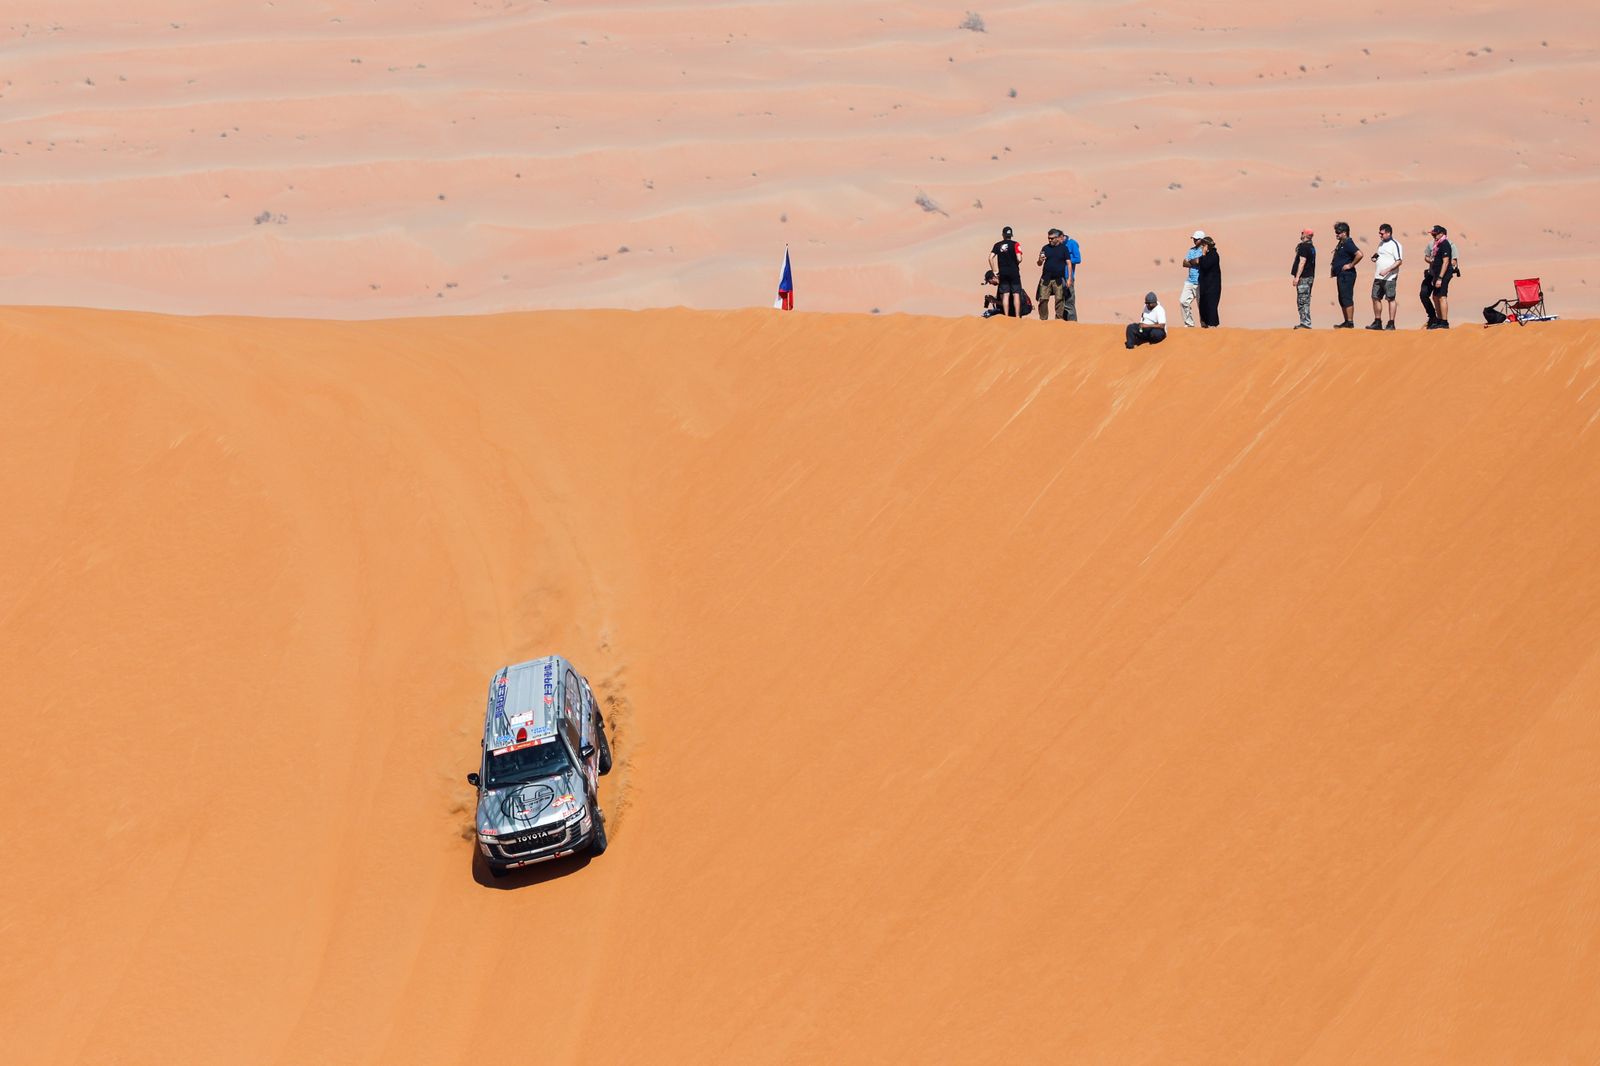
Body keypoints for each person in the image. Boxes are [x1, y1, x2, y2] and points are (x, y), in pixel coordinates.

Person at [1367, 223, 1403, 330]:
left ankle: (1391, 323)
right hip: (1378, 276)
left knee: (1390, 298)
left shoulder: (1395, 244)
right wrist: (1375, 257)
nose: (1380, 235)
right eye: (1379, 233)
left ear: (1388, 233)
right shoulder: (1381, 243)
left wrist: (1387, 270)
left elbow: (1399, 261)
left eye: (1382, 233)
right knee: (1375, 297)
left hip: (1390, 277)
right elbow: (1379, 254)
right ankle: (1377, 321)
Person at [1329, 221, 1362, 328]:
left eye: (1338, 232)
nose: (1336, 234)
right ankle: (1346, 321)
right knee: (1342, 297)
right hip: (1341, 275)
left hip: (1347, 275)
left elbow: (1359, 254)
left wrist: (1350, 265)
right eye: (1336, 232)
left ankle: (1350, 322)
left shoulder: (1348, 243)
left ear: (1344, 233)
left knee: (1347, 297)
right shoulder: (1342, 243)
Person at [988, 225, 1024, 317]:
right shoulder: (1016, 244)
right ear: (1011, 235)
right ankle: (1017, 316)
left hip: (1003, 273)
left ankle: (1006, 316)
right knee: (1016, 294)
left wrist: (994, 270)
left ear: (1003, 235)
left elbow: (990, 258)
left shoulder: (997, 245)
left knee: (1005, 295)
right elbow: (1019, 259)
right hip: (1014, 272)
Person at [1035, 229, 1070, 320]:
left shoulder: (1064, 248)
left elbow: (1068, 263)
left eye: (1052, 238)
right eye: (1048, 238)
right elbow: (1039, 263)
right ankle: (1043, 319)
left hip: (1058, 279)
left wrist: (1069, 278)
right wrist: (1040, 260)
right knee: (1043, 299)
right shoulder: (1045, 248)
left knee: (1059, 300)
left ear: (1058, 238)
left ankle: (1058, 320)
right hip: (1046, 278)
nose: (1049, 240)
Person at [1425, 224, 1454, 329]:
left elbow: (1446, 262)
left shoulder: (1445, 244)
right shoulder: (1437, 244)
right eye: (1433, 234)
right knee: (1435, 296)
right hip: (1437, 274)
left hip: (1444, 274)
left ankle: (1444, 322)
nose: (1433, 236)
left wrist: (1440, 278)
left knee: (1442, 296)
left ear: (1442, 234)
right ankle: (1439, 319)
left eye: (1435, 234)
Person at [1290, 228, 1316, 329]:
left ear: (1305, 235)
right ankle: (1305, 322)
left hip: (1304, 277)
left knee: (1303, 301)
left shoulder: (1304, 247)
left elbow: (1302, 262)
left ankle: (1305, 323)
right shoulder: (1311, 246)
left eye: (1302, 233)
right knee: (1305, 299)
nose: (1301, 235)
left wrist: (1297, 277)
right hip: (1309, 277)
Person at [1195, 236, 1221, 327]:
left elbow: (1205, 265)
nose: (1202, 247)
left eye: (1203, 245)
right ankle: (1206, 326)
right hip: (1206, 287)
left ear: (1207, 246)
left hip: (1212, 288)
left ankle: (1212, 327)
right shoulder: (1209, 255)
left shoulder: (1213, 255)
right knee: (1204, 306)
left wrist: (1203, 254)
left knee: (1211, 307)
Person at [1180, 230, 1204, 327]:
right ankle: (1189, 324)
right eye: (1193, 239)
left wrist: (1194, 261)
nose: (1194, 240)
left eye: (1196, 239)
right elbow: (1184, 263)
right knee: (1183, 301)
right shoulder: (1191, 250)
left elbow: (1201, 262)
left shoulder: (1205, 250)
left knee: (1201, 306)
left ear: (1201, 240)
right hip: (1189, 281)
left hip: (1200, 282)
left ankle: (1204, 325)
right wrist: (1194, 261)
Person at [1061, 232, 1082, 320]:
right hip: (1059, 277)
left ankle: (1073, 324)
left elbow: (1078, 259)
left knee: (1069, 301)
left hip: (1068, 277)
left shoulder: (1072, 243)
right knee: (1061, 301)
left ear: (1062, 237)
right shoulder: (1058, 244)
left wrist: (1066, 259)